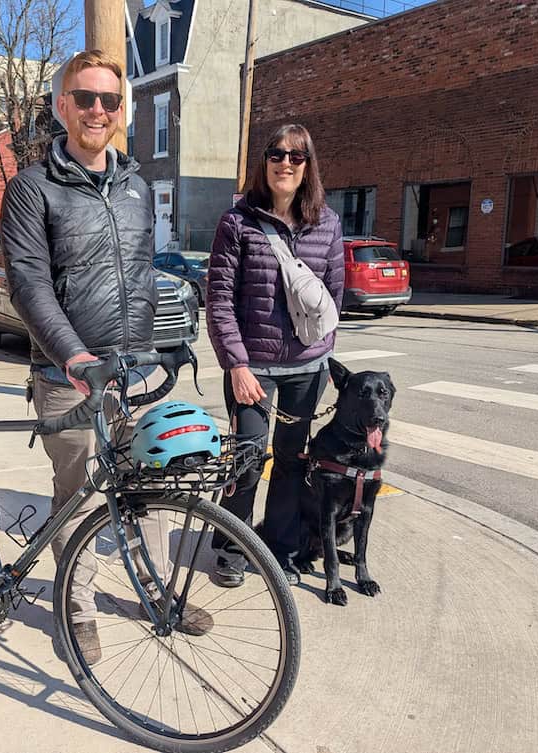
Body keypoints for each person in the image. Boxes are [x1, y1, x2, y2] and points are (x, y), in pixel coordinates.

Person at [0, 50, 211, 664]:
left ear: (122, 111)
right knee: (80, 495)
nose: (98, 109)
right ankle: (78, 606)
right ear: (63, 105)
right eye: (85, 98)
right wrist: (72, 355)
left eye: (109, 100)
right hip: (66, 373)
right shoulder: (31, 188)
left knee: (149, 483)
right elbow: (30, 285)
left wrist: (163, 341)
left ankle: (156, 591)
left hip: (130, 367)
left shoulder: (137, 187)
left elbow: (140, 273)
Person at [206, 123, 345, 586]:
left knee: (291, 460)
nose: (285, 163)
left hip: (307, 368)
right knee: (247, 459)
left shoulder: (326, 223)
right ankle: (232, 547)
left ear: (308, 167)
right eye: (276, 154)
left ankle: (279, 547)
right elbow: (220, 299)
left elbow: (333, 296)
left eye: (297, 156)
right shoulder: (238, 222)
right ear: (263, 163)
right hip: (254, 368)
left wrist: (324, 355)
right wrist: (237, 365)